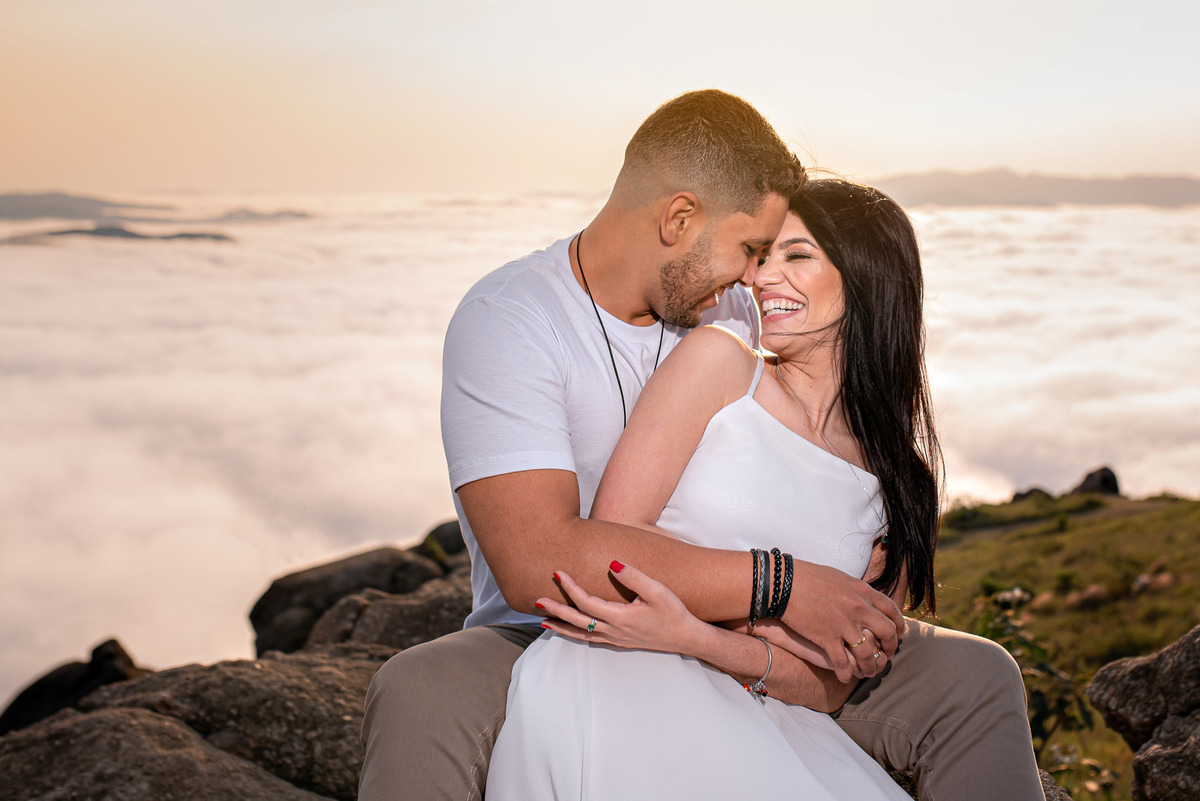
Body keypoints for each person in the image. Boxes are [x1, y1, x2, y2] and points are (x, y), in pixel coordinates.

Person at [359, 91, 1044, 800]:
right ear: (679, 218)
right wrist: (786, 586)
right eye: (752, 249)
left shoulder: (741, 311)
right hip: (553, 623)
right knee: (420, 686)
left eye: (779, 254)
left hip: (761, 641)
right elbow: (539, 563)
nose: (757, 276)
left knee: (978, 672)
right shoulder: (513, 322)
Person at [487, 181, 942, 798]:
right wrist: (779, 615)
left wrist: (700, 635)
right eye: (762, 256)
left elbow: (833, 683)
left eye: (797, 256)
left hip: (771, 714)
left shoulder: (901, 483)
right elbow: (612, 551)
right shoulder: (721, 363)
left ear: (868, 276)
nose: (762, 278)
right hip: (622, 673)